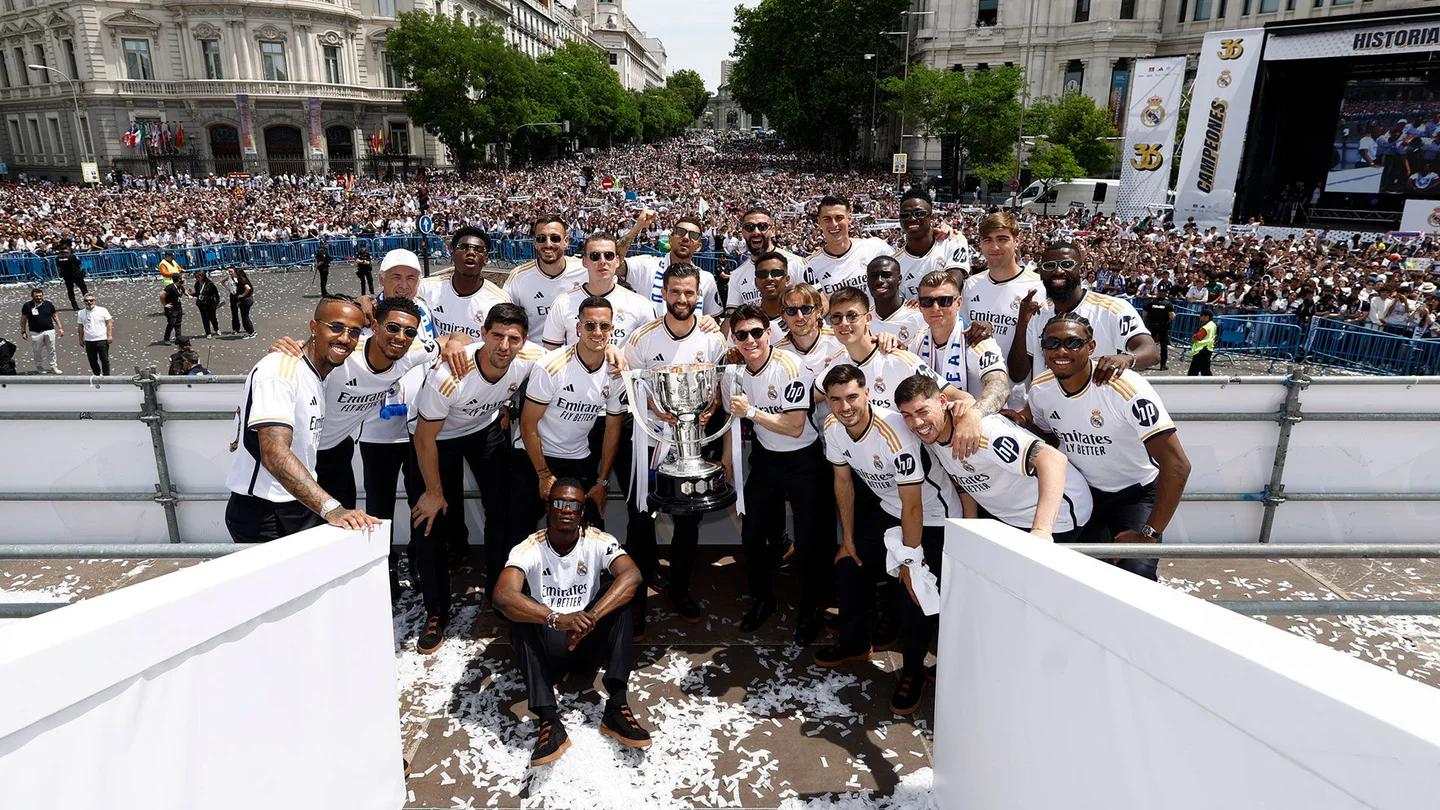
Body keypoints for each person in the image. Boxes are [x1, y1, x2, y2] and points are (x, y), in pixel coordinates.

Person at [816, 363, 961, 716]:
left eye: (852, 396)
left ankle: (912, 672)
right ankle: (853, 642)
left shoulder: (896, 433)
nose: (845, 406)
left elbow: (913, 507)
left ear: (867, 393)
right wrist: (848, 538)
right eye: (835, 399)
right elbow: (843, 483)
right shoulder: (833, 427)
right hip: (888, 507)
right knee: (850, 563)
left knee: (912, 592)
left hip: (932, 517)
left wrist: (910, 564)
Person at [411, 304, 542, 652]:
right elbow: (423, 438)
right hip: (437, 440)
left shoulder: (529, 356)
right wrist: (434, 491)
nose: (504, 345)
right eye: (497, 335)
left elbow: (572, 356)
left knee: (502, 511)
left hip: (483, 432)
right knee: (431, 518)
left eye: (513, 338)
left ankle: (500, 592)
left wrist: (615, 352)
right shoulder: (451, 373)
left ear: (524, 341)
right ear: (482, 333)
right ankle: (436, 611)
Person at [492, 480, 648, 766]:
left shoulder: (598, 539)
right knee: (520, 615)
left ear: (581, 513)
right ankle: (549, 722)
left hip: (587, 641)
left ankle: (616, 705)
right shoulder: (529, 546)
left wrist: (591, 619)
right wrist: (557, 619)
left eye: (574, 505)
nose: (566, 509)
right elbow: (502, 596)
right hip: (548, 645)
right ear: (548, 508)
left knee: (618, 598)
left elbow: (632, 575)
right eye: (559, 503)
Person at [1027, 313, 1192, 581]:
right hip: (1082, 491)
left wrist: (1148, 535)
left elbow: (1178, 464)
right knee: (1063, 571)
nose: (1061, 351)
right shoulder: (1041, 388)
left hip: (1134, 494)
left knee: (1136, 575)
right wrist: (1018, 422)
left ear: (1091, 347)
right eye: (1051, 343)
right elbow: (1047, 437)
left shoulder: (1124, 387)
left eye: (1073, 343)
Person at [224, 296, 382, 544]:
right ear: (314, 327)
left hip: (300, 504)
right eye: (336, 327)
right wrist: (332, 508)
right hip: (266, 513)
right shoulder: (280, 371)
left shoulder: (320, 373)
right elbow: (274, 453)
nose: (344, 338)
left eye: (353, 332)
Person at [622, 264, 728, 628]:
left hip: (691, 443)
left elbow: (719, 386)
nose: (682, 299)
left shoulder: (713, 340)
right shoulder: (641, 338)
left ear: (699, 295)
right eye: (675, 292)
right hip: (649, 440)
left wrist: (711, 407)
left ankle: (680, 588)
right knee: (640, 520)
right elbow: (627, 384)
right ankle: (635, 596)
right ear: (663, 293)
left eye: (689, 293)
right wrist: (652, 404)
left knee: (688, 521)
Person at [719, 304, 830, 644]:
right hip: (766, 460)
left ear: (769, 333)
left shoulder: (791, 365)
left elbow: (795, 426)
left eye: (756, 332)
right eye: (741, 335)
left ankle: (810, 610)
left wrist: (752, 410)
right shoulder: (733, 373)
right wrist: (727, 459)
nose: (750, 340)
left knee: (809, 542)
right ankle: (762, 599)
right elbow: (731, 422)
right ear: (734, 339)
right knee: (752, 533)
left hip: (804, 460)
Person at [894, 374, 1092, 542]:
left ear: (943, 402)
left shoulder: (983, 431)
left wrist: (1042, 531)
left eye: (922, 411)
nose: (917, 422)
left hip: (1059, 517)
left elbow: (1052, 459)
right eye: (907, 415)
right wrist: (969, 531)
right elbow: (964, 481)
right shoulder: (932, 435)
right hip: (1008, 518)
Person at [514, 295, 626, 538]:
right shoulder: (551, 366)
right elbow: (527, 423)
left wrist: (602, 481)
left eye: (604, 325)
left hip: (577, 457)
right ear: (578, 328)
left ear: (612, 329)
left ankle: (592, 576)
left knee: (592, 529)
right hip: (534, 456)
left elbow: (613, 430)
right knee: (519, 528)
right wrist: (543, 474)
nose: (597, 332)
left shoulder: (616, 372)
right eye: (590, 325)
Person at [1010, 241, 1160, 385]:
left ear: (1081, 270)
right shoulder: (1037, 314)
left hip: (1096, 409)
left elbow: (1151, 352)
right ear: (1041, 273)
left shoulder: (1113, 309)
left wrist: (1125, 358)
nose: (1058, 271)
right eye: (1049, 266)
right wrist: (1021, 325)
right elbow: (1017, 375)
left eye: (1067, 264)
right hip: (1046, 408)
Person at [962, 212, 1046, 407]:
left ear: (1016, 241)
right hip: (974, 396)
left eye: (1002, 239)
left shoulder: (1038, 288)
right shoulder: (970, 286)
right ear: (980, 245)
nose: (995, 247)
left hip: (1018, 400)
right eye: (988, 240)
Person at [909, 271, 1010, 410]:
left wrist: (974, 414)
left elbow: (1000, 388)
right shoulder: (917, 340)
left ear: (959, 303)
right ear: (920, 306)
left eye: (944, 301)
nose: (935, 308)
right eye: (927, 302)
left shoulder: (977, 341)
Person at [542, 232, 659, 350]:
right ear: (584, 261)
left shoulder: (640, 305)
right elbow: (551, 354)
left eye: (608, 256)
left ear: (617, 261)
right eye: (595, 256)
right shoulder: (562, 303)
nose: (602, 261)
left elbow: (651, 352)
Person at [617, 211, 724, 317]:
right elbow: (614, 263)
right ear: (670, 240)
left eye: (693, 235)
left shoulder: (706, 279)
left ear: (698, 247)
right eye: (681, 232)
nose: (686, 237)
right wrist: (637, 227)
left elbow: (714, 320)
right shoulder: (646, 266)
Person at [417, 227, 511, 339]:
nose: (471, 252)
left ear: (486, 260)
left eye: (479, 249)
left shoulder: (500, 301)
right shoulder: (426, 288)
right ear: (453, 255)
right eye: (463, 247)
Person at [503, 215, 586, 341]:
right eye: (541, 238)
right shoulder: (519, 276)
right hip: (537, 354)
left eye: (555, 238)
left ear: (566, 241)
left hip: (577, 354)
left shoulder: (585, 270)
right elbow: (502, 316)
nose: (548, 244)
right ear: (535, 242)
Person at [802, 195, 895, 299]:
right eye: (827, 219)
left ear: (849, 218)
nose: (834, 224)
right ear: (819, 222)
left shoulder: (876, 248)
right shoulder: (810, 266)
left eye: (839, 218)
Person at [723, 207, 806, 314]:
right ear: (743, 232)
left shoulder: (796, 264)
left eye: (762, 227)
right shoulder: (736, 275)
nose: (756, 232)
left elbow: (817, 303)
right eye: (749, 227)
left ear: (772, 230)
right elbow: (732, 316)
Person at [894, 187, 970, 300]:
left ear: (931, 217)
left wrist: (920, 304)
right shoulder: (895, 263)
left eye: (919, 213)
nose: (912, 219)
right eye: (905, 215)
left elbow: (951, 288)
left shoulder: (952, 241)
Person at [866, 256, 926, 346]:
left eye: (886, 275)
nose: (879, 281)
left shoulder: (919, 317)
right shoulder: (863, 320)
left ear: (899, 279)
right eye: (873, 276)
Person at [19, 287, 62, 374]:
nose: (38, 298)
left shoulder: (48, 304)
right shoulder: (27, 306)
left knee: (52, 349)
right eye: (36, 296)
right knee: (37, 351)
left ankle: (53, 366)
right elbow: (23, 319)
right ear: (32, 296)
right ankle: (39, 366)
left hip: (49, 330)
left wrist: (60, 328)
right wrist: (23, 331)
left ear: (43, 295)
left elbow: (55, 316)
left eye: (40, 296)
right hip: (35, 332)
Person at [77, 293, 113, 376]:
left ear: (94, 301)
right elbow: (80, 327)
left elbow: (109, 323)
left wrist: (109, 335)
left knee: (104, 359)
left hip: (102, 339)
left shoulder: (102, 310)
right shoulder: (81, 313)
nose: (89, 302)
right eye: (86, 301)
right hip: (89, 340)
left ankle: (106, 376)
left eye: (91, 300)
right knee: (92, 360)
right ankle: (97, 375)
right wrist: (80, 338)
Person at [1142, 295, 1176, 371]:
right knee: (1163, 347)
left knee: (1148, 346)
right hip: (1163, 327)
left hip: (1152, 326)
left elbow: (1144, 314)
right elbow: (1172, 317)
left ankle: (1146, 364)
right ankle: (1162, 365)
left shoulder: (1150, 302)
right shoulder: (1168, 304)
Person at [56, 240, 88, 310]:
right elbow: (79, 263)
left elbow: (58, 267)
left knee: (70, 290)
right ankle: (88, 303)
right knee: (83, 288)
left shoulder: (58, 257)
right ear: (68, 249)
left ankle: (74, 306)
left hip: (66, 275)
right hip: (76, 274)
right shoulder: (72, 256)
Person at [193, 269, 222, 338]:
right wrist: (192, 294)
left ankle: (216, 328)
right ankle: (208, 332)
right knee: (205, 318)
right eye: (196, 277)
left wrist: (217, 302)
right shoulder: (196, 284)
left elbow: (216, 293)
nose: (197, 279)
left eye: (198, 277)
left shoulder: (210, 284)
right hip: (201, 303)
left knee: (212, 317)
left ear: (203, 276)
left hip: (210, 302)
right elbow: (198, 294)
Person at [228, 267, 256, 338]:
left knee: (245, 317)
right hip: (247, 299)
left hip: (246, 300)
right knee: (245, 316)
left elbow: (248, 288)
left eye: (234, 272)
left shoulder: (241, 280)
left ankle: (251, 332)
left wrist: (242, 295)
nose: (232, 274)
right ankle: (250, 331)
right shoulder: (241, 279)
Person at [1189, 309, 1217, 377]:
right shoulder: (1213, 325)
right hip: (1208, 349)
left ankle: (1212, 384)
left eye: (1201, 315)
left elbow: (1196, 337)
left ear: (1207, 317)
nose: (1200, 317)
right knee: (1204, 370)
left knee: (1194, 371)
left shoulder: (1205, 327)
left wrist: (1194, 337)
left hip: (1201, 351)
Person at [160, 278, 184, 344]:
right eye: (183, 278)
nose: (184, 279)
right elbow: (162, 294)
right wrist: (165, 304)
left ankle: (178, 338)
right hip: (171, 308)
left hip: (178, 307)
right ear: (179, 279)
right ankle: (166, 338)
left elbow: (184, 292)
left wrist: (188, 294)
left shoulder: (180, 286)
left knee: (178, 323)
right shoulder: (170, 287)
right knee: (171, 323)